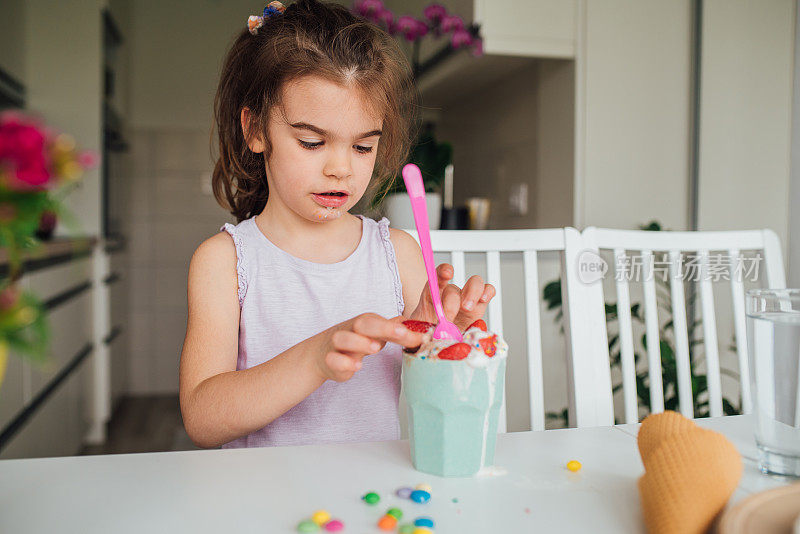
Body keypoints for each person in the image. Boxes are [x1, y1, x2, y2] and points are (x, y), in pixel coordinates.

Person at [179, 0, 495, 449]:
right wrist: (316, 357)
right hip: (262, 502)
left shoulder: (398, 253)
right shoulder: (225, 262)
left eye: (363, 147)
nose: (341, 169)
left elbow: (427, 392)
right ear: (255, 130)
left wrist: (437, 343)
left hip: (375, 498)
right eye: (312, 142)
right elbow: (203, 418)